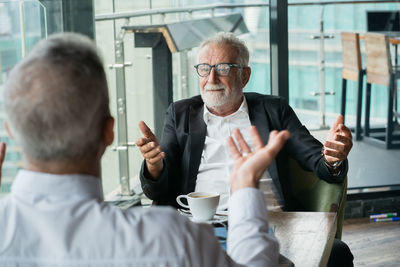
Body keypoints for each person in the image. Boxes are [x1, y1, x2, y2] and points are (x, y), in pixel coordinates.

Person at [0, 32, 291, 266]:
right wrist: (244, 188)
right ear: (109, 132)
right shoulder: (171, 238)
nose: (212, 77)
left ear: (11, 131)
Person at [137, 32, 354, 266]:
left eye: (223, 68)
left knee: (338, 252)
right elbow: (160, 188)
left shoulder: (274, 110)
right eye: (204, 68)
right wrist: (154, 165)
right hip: (203, 228)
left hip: (271, 223)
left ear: (244, 75)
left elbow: (317, 160)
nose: (211, 78)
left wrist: (333, 157)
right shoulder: (180, 114)